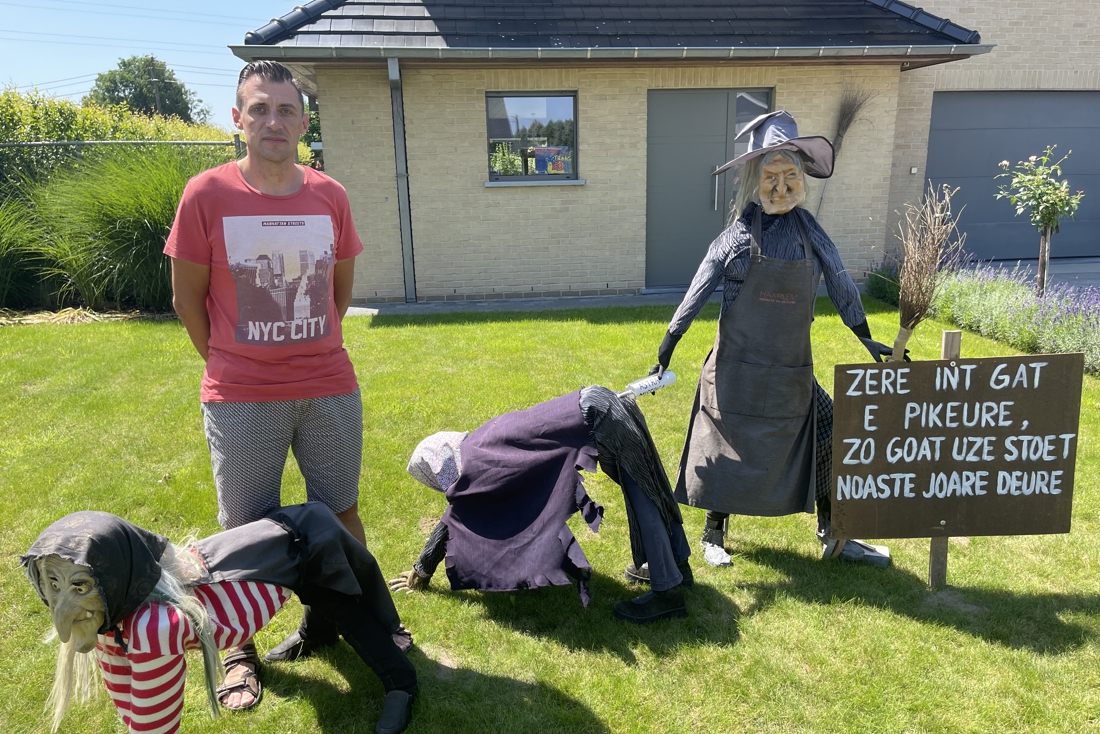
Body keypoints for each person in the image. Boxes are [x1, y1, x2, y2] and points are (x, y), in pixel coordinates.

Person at [164, 60, 366, 709]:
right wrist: (232, 360)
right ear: (237, 119)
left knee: (340, 512)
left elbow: (337, 294)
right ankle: (240, 652)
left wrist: (307, 349)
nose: (273, 121)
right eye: (259, 109)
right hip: (241, 395)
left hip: (328, 384)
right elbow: (187, 299)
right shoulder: (206, 194)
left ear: (304, 121)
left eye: (285, 110)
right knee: (244, 528)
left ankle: (350, 623)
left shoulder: (330, 194)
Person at [654, 111, 896, 569]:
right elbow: (697, 290)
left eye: (790, 176)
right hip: (734, 373)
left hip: (789, 374)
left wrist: (866, 337)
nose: (781, 188)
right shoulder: (736, 238)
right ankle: (713, 535)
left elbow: (842, 283)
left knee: (830, 430)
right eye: (771, 177)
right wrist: (669, 345)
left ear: (802, 178)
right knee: (723, 448)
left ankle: (834, 532)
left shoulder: (812, 234)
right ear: (753, 181)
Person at [22, 503, 417, 734]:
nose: (60, 608)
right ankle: (317, 633)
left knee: (345, 608)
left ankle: (403, 684)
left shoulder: (154, 629)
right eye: (51, 584)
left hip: (304, 546)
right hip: (274, 538)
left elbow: (152, 725)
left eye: (78, 585)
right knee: (326, 603)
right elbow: (127, 696)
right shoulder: (115, 612)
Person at [389, 386, 693, 624]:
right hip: (601, 402)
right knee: (650, 486)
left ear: (436, 468)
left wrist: (422, 569)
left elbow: (451, 521)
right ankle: (678, 565)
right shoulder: (478, 443)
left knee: (643, 496)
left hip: (599, 418)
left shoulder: (475, 467)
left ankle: (667, 593)